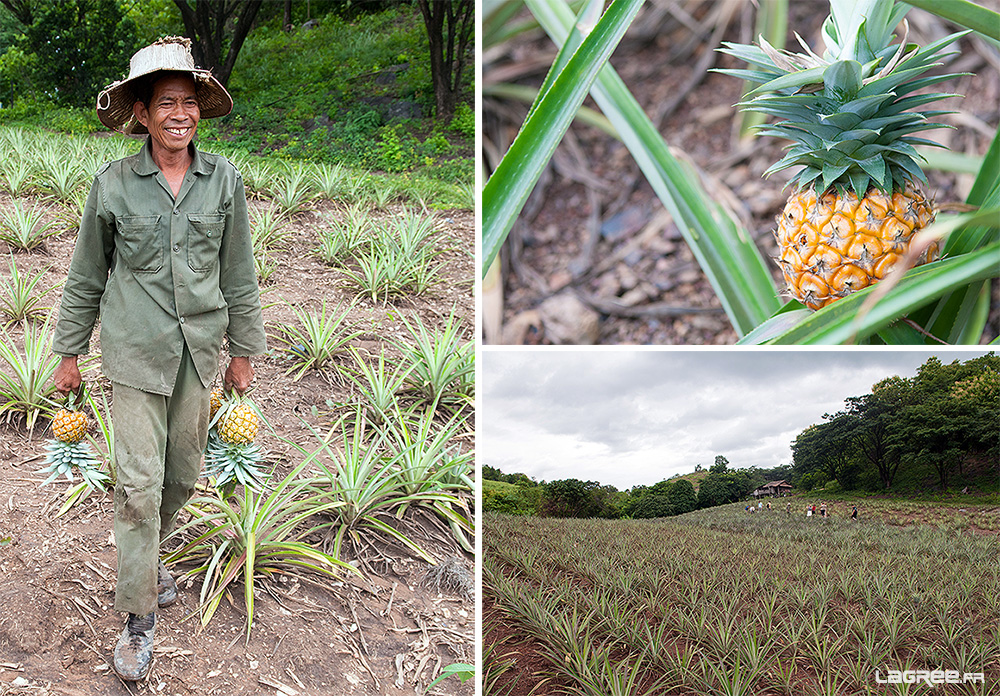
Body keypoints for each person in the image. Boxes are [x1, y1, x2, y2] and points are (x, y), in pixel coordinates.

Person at [51, 37, 266, 681]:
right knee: (139, 488)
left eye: (189, 101)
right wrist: (67, 351)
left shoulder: (222, 179)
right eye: (166, 102)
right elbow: (86, 275)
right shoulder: (113, 184)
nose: (180, 113)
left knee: (182, 477)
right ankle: (138, 620)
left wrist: (245, 350)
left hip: (199, 353)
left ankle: (146, 561)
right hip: (134, 354)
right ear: (141, 114)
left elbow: (239, 271)